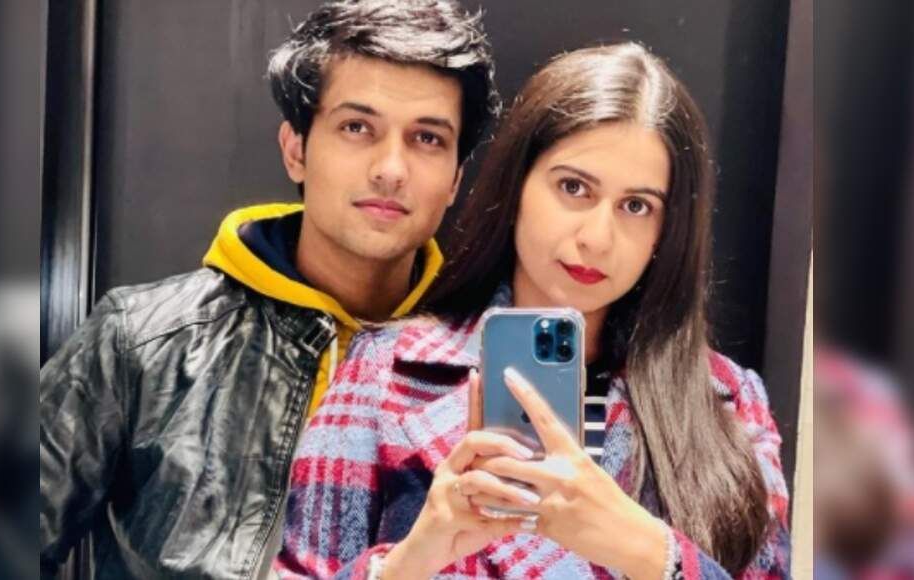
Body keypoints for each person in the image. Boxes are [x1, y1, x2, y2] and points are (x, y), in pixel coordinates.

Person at [276, 43, 791, 579]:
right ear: (517, 186)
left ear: (668, 229)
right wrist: (410, 560)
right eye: (574, 187)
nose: (596, 237)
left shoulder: (726, 402)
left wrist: (648, 552)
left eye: (636, 206)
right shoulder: (387, 373)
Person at [39, 1, 500, 578]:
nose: (391, 169)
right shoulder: (143, 340)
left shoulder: (487, 364)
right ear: (296, 149)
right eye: (357, 128)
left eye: (427, 138)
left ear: (456, 179)